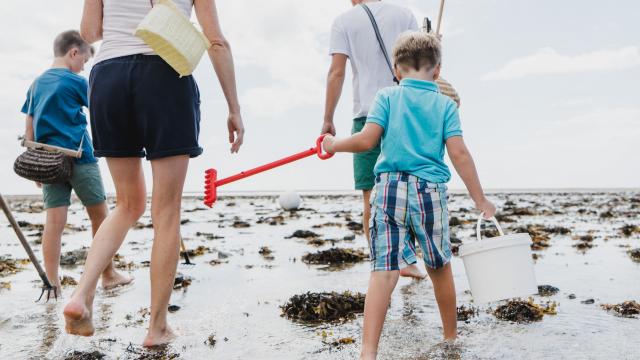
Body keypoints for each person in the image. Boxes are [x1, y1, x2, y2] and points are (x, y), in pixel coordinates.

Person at [63, 0, 245, 347]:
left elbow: (89, 33)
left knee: (127, 204)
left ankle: (82, 295)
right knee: (165, 210)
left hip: (108, 76)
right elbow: (216, 41)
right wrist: (234, 108)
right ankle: (157, 326)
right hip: (165, 72)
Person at [322, 32, 496, 359]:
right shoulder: (445, 105)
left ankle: (368, 352)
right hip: (429, 191)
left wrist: (333, 145)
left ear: (396, 70)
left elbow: (366, 140)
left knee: (384, 270)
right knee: (439, 265)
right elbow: (459, 154)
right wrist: (480, 200)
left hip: (388, 189)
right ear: (438, 70)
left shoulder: (386, 97)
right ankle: (450, 337)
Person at [20, 30, 131, 294]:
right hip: (80, 158)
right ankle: (108, 274)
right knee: (101, 217)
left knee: (54, 223)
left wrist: (33, 162)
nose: (83, 68)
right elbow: (101, 108)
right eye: (84, 61)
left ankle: (53, 284)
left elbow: (29, 124)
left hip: (47, 160)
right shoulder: (75, 81)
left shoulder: (36, 84)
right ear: (74, 52)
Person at [322, 0, 426, 279]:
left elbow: (337, 72)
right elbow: (422, 63)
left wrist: (328, 118)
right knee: (410, 188)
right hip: (406, 111)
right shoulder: (404, 14)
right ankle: (408, 262)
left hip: (367, 114)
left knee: (371, 195)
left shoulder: (344, 20)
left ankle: (382, 263)